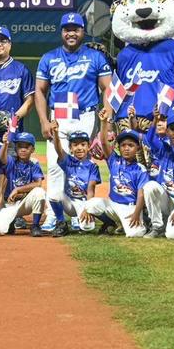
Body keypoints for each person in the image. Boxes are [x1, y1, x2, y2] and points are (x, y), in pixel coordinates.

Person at [35, 12, 114, 231]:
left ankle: (80, 212)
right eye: (67, 29)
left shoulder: (95, 57)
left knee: (79, 166)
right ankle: (53, 215)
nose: (71, 33)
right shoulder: (49, 58)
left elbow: (108, 87)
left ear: (83, 32)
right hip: (57, 116)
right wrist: (43, 120)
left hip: (84, 115)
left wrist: (106, 110)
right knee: (54, 166)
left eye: (76, 29)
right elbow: (40, 91)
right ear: (62, 32)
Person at [87, 113, 149, 238]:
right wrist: (104, 122)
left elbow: (141, 194)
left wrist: (137, 213)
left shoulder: (140, 169)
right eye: (123, 145)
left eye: (130, 145)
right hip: (113, 205)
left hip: (129, 207)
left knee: (135, 233)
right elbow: (104, 143)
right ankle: (112, 223)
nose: (126, 148)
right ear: (119, 147)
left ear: (137, 148)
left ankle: (143, 221)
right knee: (90, 205)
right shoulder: (114, 160)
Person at [142, 110, 174, 239]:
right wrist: (155, 119)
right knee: (150, 186)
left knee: (173, 235)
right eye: (172, 129)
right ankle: (157, 226)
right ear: (167, 131)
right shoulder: (163, 149)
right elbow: (149, 138)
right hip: (165, 198)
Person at [47, 127, 102, 237]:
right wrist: (56, 133)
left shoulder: (92, 166)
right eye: (75, 145)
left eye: (83, 144)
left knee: (88, 227)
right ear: (70, 148)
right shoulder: (68, 161)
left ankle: (108, 222)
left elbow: (91, 190)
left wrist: (88, 208)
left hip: (84, 202)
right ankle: (61, 223)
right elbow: (58, 149)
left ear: (88, 146)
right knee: (54, 195)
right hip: (69, 202)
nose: (79, 148)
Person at [0, 132, 47, 236]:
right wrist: (5, 144)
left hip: (24, 203)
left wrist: (17, 189)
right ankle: (10, 222)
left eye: (26, 147)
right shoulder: (11, 161)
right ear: (15, 148)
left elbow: (38, 183)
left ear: (32, 149)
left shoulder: (34, 163)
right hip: (9, 204)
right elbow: (2, 158)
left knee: (39, 192)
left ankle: (35, 225)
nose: (23, 150)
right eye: (20, 147)